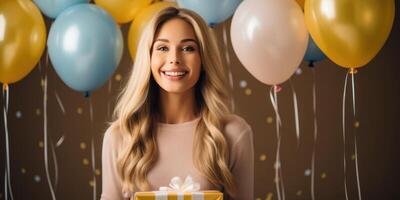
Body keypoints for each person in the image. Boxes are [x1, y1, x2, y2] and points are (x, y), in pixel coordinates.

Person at [101, 7, 254, 200]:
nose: (174, 59)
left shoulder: (233, 134)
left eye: (188, 48)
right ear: (148, 58)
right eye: (163, 48)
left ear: (203, 59)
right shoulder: (120, 137)